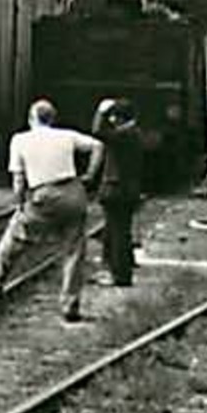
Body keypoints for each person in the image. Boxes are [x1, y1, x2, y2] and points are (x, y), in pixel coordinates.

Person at [0, 99, 104, 323]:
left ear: (31, 119)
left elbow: (18, 179)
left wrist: (19, 203)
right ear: (52, 119)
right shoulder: (66, 135)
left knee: (17, 234)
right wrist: (89, 175)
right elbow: (98, 146)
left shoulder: (20, 140)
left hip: (43, 194)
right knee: (74, 250)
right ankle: (70, 304)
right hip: (73, 193)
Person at [93, 97, 145, 287]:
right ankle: (117, 270)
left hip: (117, 190)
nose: (112, 120)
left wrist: (101, 111)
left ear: (120, 118)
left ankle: (121, 276)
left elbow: (98, 132)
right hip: (126, 189)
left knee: (118, 234)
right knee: (117, 232)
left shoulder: (124, 135)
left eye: (114, 117)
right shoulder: (134, 133)